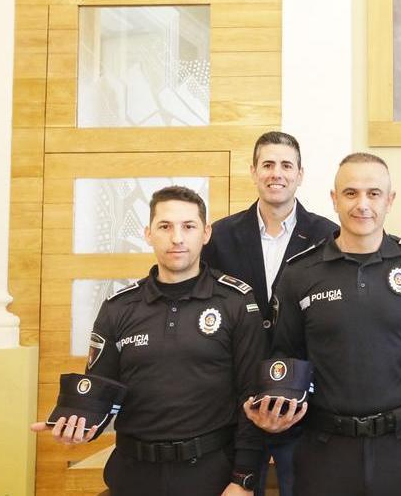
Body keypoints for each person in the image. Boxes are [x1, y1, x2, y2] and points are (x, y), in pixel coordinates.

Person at [246, 152, 401, 496]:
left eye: (374, 194)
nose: (362, 205)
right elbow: (285, 358)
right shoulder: (300, 273)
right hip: (324, 452)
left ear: (390, 201)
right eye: (350, 193)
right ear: (334, 199)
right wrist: (272, 408)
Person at [31, 186, 266, 495]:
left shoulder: (235, 302)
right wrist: (79, 424)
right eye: (165, 226)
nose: (177, 238)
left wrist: (243, 479)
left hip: (209, 475)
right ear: (148, 233)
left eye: (189, 226)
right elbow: (99, 391)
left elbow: (252, 397)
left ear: (206, 233)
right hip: (133, 474)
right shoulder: (119, 308)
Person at [203, 131, 338, 494]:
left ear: (300, 174)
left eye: (286, 165)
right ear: (253, 171)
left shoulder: (329, 236)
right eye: (268, 165)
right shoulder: (220, 236)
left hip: (304, 399)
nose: (276, 173)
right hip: (233, 396)